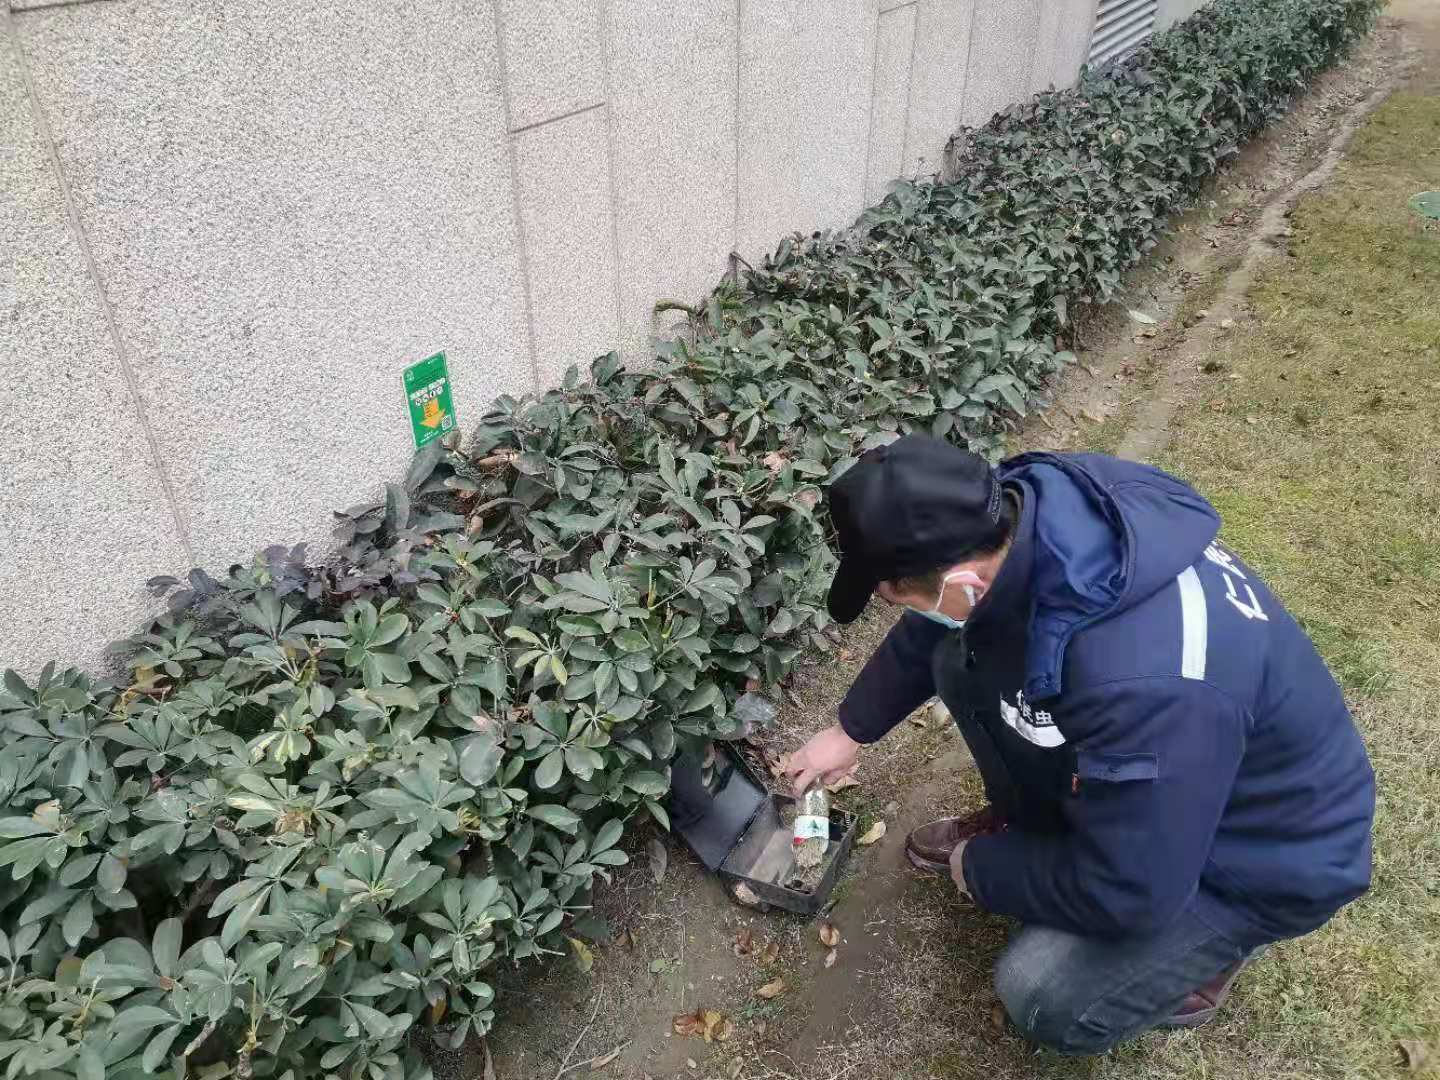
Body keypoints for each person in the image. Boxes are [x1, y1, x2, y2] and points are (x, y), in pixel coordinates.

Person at [784, 435, 1375, 1055]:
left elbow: (1130, 891)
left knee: (1040, 988)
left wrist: (982, 869)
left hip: (1261, 853)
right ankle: (1047, 824)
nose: (893, 606)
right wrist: (848, 730)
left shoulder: (1142, 686)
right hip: (1183, 767)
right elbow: (935, 625)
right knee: (960, 658)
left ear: (962, 580)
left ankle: (1201, 961)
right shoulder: (1026, 514)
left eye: (891, 593)